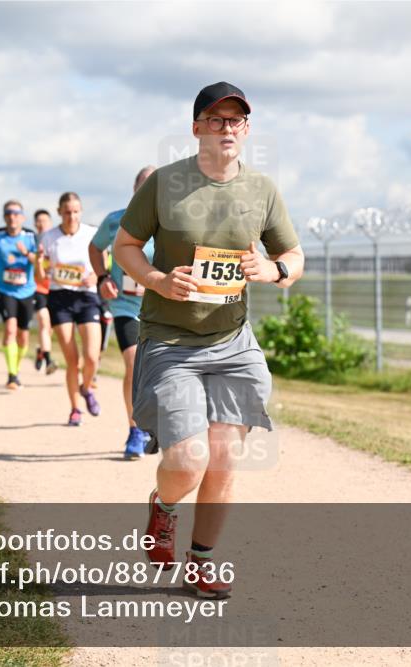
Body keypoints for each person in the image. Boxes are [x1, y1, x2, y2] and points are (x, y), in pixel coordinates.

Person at [114, 82, 304, 599]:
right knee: (188, 459)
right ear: (196, 126)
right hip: (172, 343)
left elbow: (294, 257)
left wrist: (272, 268)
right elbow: (126, 245)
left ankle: (202, 561)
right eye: (216, 120)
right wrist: (156, 280)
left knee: (223, 456)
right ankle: (164, 506)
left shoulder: (262, 190)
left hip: (233, 342)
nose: (227, 128)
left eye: (237, 121)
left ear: (247, 129)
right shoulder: (165, 183)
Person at [89, 165, 157, 458]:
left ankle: (157, 425)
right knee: (134, 365)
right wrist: (103, 278)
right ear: (134, 190)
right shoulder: (116, 221)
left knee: (161, 373)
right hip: (125, 306)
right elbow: (95, 248)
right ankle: (135, 430)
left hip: (160, 309)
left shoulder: (171, 223)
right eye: (144, 187)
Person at [36, 192, 102, 426]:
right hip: (60, 298)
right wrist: (39, 263)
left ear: (80, 212)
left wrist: (95, 275)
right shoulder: (48, 238)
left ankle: (86, 388)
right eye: (67, 212)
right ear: (59, 212)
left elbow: (106, 260)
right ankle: (75, 409)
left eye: (75, 211)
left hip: (86, 296)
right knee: (72, 360)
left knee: (92, 357)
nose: (71, 216)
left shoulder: (92, 234)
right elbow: (40, 275)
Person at [0, 200, 38, 390]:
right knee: (10, 330)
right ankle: (12, 375)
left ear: (22, 217)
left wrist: (27, 253)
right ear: (4, 216)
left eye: (16, 213)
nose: (12, 217)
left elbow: (40, 261)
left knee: (23, 336)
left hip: (27, 291)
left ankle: (17, 367)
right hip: (5, 290)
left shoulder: (30, 236)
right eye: (8, 213)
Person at [32, 209, 58, 374]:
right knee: (43, 322)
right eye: (39, 221)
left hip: (54, 288)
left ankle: (41, 352)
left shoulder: (56, 240)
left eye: (45, 221)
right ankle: (48, 360)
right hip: (36, 288)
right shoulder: (31, 241)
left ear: (50, 223)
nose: (42, 224)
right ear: (35, 224)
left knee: (50, 328)